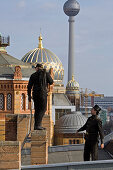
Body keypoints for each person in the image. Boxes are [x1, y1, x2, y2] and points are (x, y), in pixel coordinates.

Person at [27, 63, 53, 130]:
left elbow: (29, 86)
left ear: (37, 68)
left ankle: (37, 125)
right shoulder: (46, 74)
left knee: (37, 110)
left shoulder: (33, 75)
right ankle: (38, 125)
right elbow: (51, 82)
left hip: (35, 94)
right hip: (42, 94)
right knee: (43, 109)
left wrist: (29, 95)